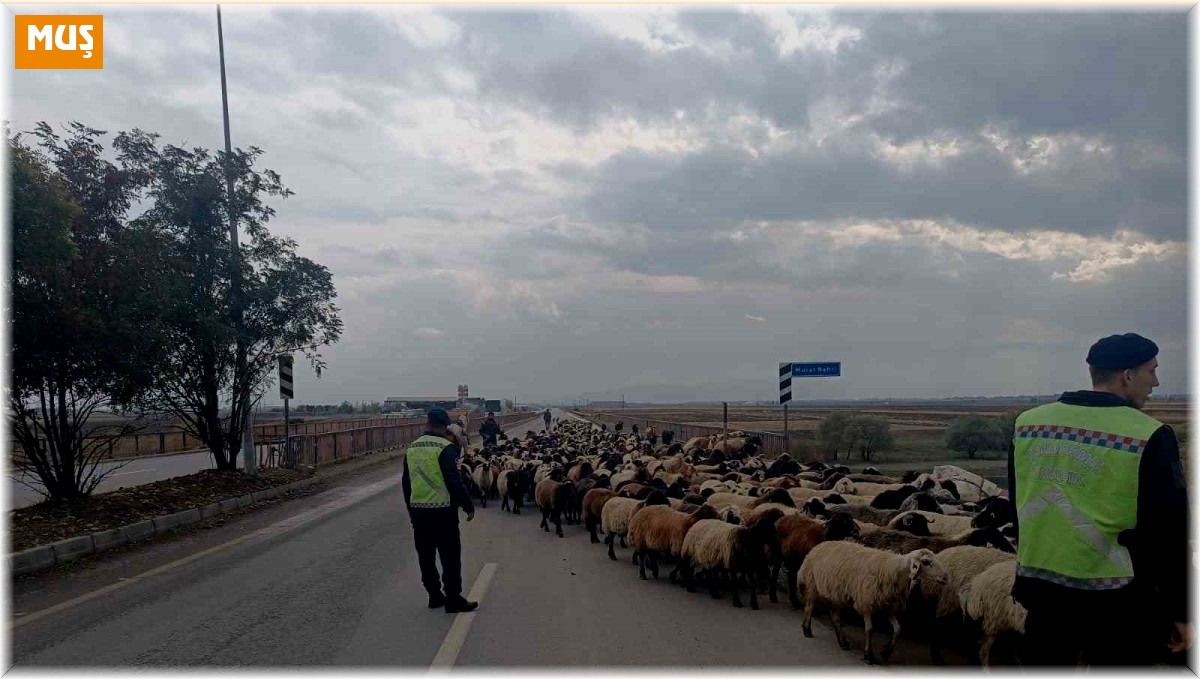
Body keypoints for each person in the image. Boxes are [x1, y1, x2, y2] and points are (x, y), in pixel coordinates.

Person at [1008, 333, 1191, 667]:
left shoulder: (1027, 424)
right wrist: (1182, 611)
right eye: (1152, 371)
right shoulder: (1149, 434)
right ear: (1128, 375)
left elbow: (1018, 504)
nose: (1156, 382)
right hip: (1117, 603)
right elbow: (1168, 532)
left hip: (1042, 591)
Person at [402, 408, 478, 613]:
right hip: (442, 511)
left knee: (425, 556)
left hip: (419, 513)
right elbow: (454, 481)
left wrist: (411, 511)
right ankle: (453, 599)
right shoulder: (446, 448)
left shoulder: (412, 448)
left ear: (427, 422)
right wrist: (468, 505)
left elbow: (406, 483)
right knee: (450, 556)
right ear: (446, 426)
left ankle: (434, 595)